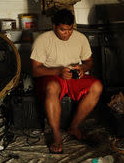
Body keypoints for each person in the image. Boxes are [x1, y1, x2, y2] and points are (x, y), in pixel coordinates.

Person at [31, 9, 103, 154]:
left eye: (70, 30)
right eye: (63, 30)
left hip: (72, 76)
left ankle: (74, 127)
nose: (67, 34)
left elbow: (89, 62)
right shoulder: (43, 40)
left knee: (97, 86)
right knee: (52, 87)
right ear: (54, 26)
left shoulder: (80, 38)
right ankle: (57, 135)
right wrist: (58, 71)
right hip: (52, 76)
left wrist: (83, 67)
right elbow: (35, 70)